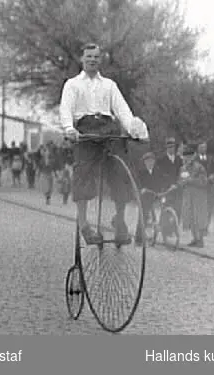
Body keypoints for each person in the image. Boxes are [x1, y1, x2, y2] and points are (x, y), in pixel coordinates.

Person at [59, 42, 148, 245]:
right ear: (82, 59)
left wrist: (133, 128)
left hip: (108, 128)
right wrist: (69, 129)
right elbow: (66, 109)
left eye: (96, 57)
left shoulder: (109, 85)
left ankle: (120, 221)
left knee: (120, 170)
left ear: (100, 60)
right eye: (88, 56)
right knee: (83, 171)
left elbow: (122, 109)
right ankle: (84, 225)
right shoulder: (72, 84)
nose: (92, 60)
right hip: (86, 129)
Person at [179, 144, 208, 248]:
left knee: (198, 218)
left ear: (193, 156)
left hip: (198, 196)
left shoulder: (199, 167)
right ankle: (195, 238)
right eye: (185, 156)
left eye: (189, 156)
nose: (187, 158)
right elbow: (180, 181)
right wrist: (182, 183)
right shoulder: (183, 168)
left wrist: (191, 180)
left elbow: (204, 181)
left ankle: (200, 239)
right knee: (189, 217)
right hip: (187, 195)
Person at [135, 151, 163, 244]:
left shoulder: (157, 171)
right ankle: (138, 238)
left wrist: (160, 191)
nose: (150, 163)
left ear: (154, 162)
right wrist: (141, 189)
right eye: (148, 161)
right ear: (145, 162)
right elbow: (138, 183)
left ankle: (152, 234)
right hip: (144, 196)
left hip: (154, 195)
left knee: (156, 213)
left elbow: (160, 182)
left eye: (152, 161)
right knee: (143, 216)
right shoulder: (141, 172)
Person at [156, 137, 183, 219]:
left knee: (178, 207)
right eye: (169, 147)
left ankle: (176, 228)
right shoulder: (161, 160)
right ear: (166, 148)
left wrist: (177, 184)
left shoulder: (179, 160)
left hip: (177, 188)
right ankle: (164, 227)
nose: (171, 149)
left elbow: (181, 173)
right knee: (165, 207)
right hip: (166, 189)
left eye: (173, 147)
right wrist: (170, 184)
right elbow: (160, 175)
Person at [196, 141, 214, 234]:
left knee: (209, 207)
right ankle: (199, 227)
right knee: (200, 207)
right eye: (201, 147)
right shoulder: (195, 159)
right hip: (199, 187)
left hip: (209, 186)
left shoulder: (210, 159)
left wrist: (212, 176)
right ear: (198, 148)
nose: (203, 149)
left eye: (204, 147)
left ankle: (206, 227)